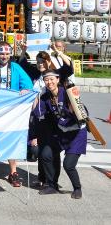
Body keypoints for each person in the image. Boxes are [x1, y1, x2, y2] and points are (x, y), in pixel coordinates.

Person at [0, 42, 33, 186]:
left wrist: (25, 90)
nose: (4, 56)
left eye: (7, 54)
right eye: (2, 53)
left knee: (11, 139)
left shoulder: (16, 67)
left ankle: (13, 172)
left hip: (10, 111)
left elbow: (28, 84)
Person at [30, 71, 87, 199]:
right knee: (46, 154)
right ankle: (52, 185)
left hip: (76, 134)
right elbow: (38, 114)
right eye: (46, 80)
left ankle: (77, 188)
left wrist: (74, 109)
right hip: (61, 133)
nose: (49, 82)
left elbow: (84, 113)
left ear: (57, 79)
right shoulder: (45, 97)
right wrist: (37, 97)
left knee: (68, 164)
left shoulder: (67, 93)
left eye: (52, 79)